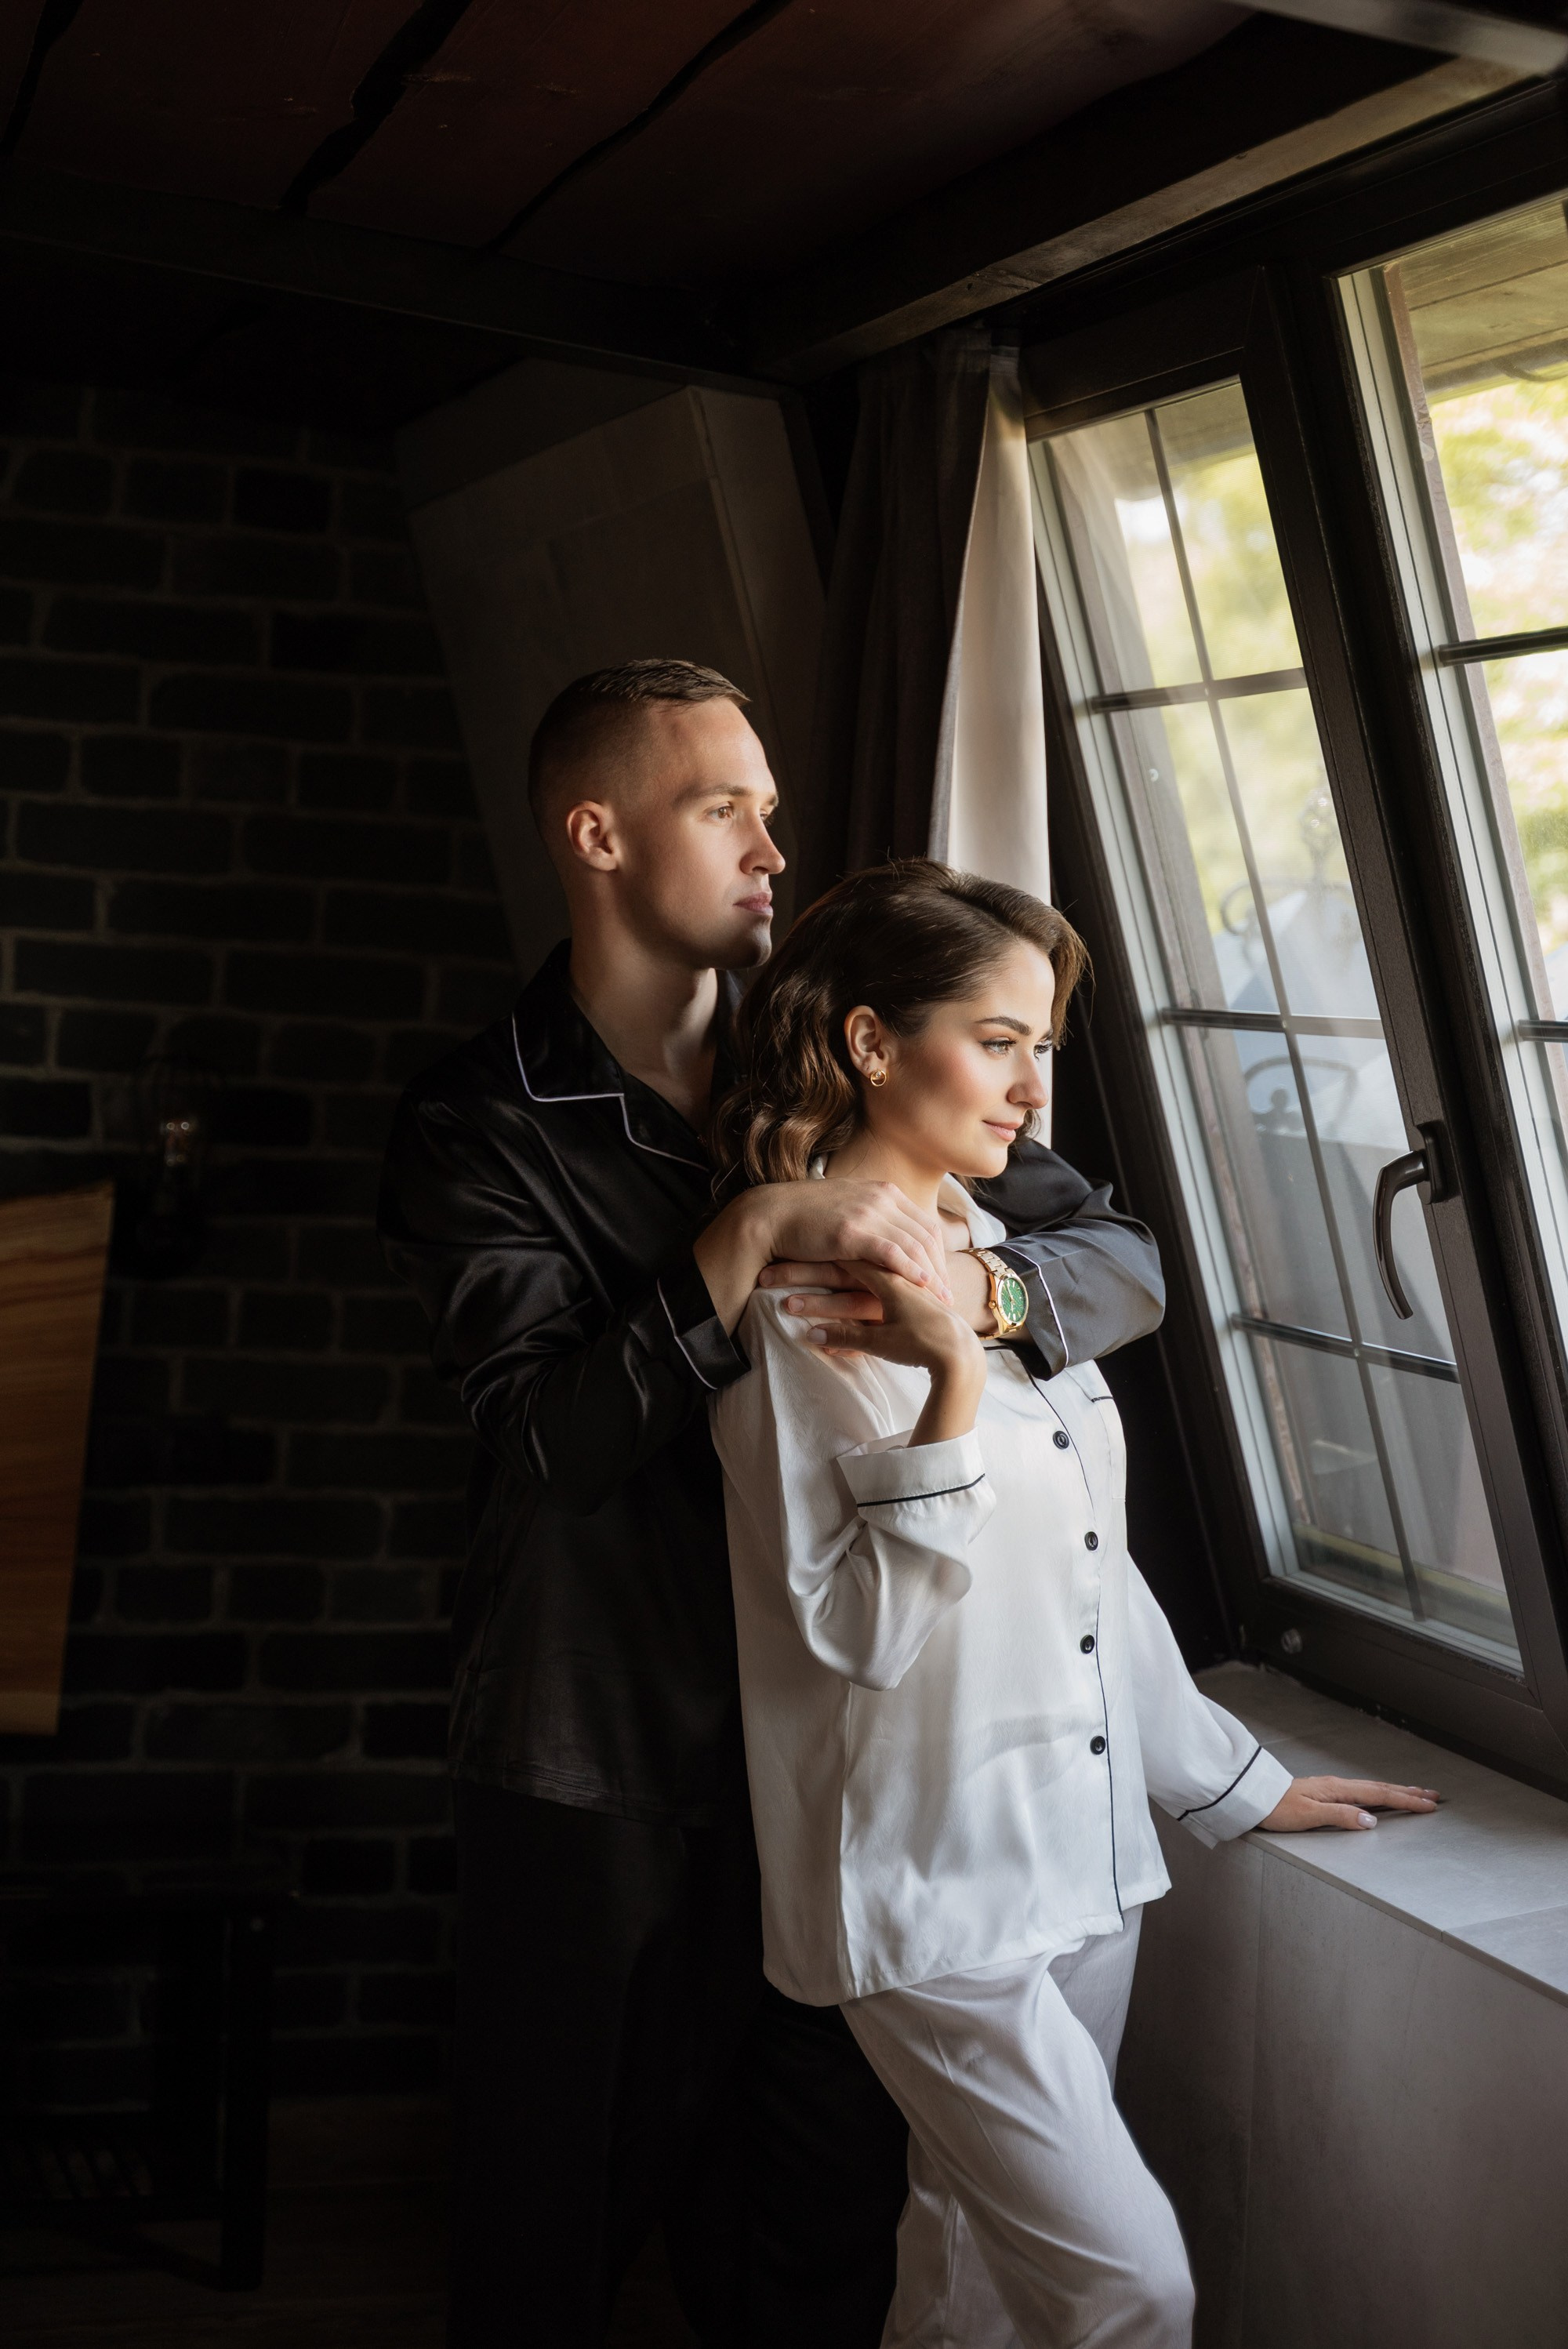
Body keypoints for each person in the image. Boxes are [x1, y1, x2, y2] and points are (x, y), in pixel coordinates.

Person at [378, 661, 1169, 2349]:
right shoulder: (476, 1121)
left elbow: (1120, 1261)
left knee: (823, 2220)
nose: (770, 841)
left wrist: (983, 1304)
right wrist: (738, 1244)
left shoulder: (843, 1047)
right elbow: (546, 1444)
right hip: (608, 1745)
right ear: (596, 835)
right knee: (557, 2210)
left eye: (769, 803)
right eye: (721, 805)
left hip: (835, 1745)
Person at [709, 859, 1442, 2349]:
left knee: (972, 2280)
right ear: (869, 1043)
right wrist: (958, 1392)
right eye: (997, 1041)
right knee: (1132, 2290)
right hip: (933, 1892)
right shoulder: (794, 1310)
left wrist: (1231, 1779)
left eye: (1042, 1045)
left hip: (1085, 1861)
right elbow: (856, 1634)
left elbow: (1090, 1568)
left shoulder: (994, 1263)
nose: (1034, 1087)